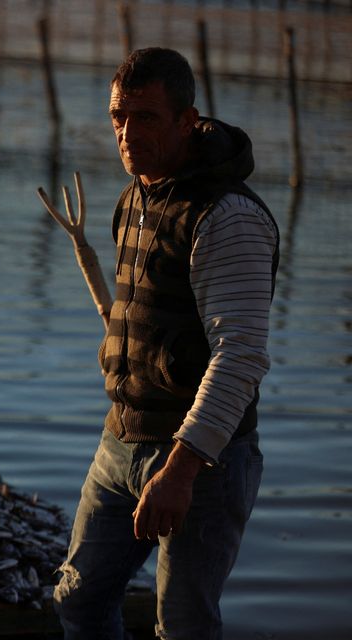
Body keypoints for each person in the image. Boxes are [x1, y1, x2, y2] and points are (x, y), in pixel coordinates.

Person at [52, 47, 279, 639]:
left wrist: (180, 471)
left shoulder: (227, 216)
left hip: (201, 462)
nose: (126, 134)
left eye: (146, 117)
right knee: (78, 602)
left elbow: (241, 357)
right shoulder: (134, 200)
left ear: (188, 120)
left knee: (182, 625)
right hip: (121, 441)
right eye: (117, 117)